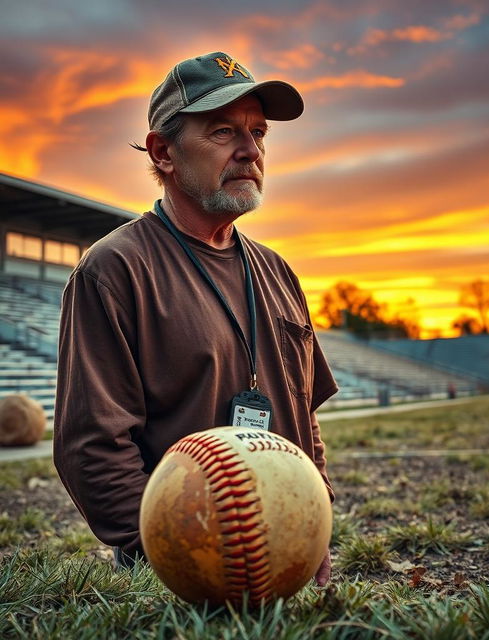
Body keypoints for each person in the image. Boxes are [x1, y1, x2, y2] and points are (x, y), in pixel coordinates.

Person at [53, 52, 338, 585]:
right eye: (224, 131)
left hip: (289, 558)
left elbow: (306, 426)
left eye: (259, 133)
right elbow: (92, 444)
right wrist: (174, 554)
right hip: (181, 573)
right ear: (164, 153)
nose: (250, 151)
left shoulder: (277, 271)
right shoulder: (114, 270)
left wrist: (314, 528)